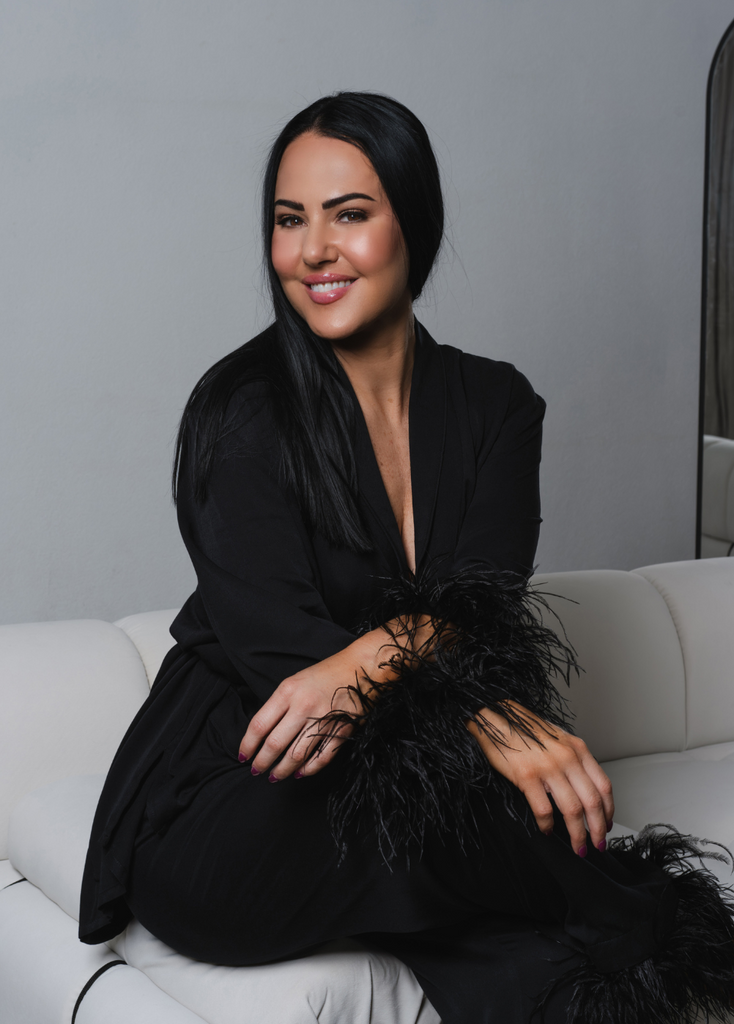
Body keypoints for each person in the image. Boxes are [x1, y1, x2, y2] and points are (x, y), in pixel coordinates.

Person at [79, 92, 734, 1023]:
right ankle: (645, 922)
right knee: (479, 805)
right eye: (288, 220)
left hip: (406, 761)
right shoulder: (240, 409)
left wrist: (381, 660)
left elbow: (485, 605)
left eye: (348, 214)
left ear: (412, 225)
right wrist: (480, 717)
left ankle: (612, 954)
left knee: (475, 831)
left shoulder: (497, 406)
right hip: (241, 774)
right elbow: (285, 662)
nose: (313, 250)